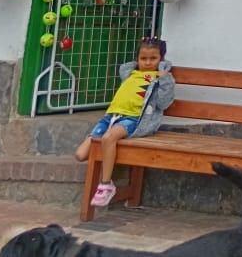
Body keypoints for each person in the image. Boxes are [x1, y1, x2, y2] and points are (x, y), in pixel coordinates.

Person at [73, 37, 175, 208]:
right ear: (137, 59)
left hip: (133, 120)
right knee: (81, 154)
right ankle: (107, 166)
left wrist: (164, 75)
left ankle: (106, 184)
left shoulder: (160, 78)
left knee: (108, 139)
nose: (148, 62)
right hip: (111, 117)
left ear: (161, 59)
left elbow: (164, 103)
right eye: (143, 58)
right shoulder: (130, 74)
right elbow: (125, 66)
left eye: (153, 58)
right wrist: (139, 60)